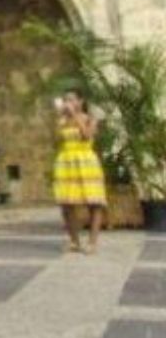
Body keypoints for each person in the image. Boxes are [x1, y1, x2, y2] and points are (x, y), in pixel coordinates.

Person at [53, 89, 106, 253]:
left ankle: (92, 242)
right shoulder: (61, 121)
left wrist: (75, 116)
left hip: (86, 161)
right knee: (67, 204)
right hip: (67, 162)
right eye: (66, 100)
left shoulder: (91, 118)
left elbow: (87, 135)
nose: (68, 103)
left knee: (94, 202)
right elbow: (56, 140)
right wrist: (60, 118)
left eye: (72, 100)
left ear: (80, 102)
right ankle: (74, 241)